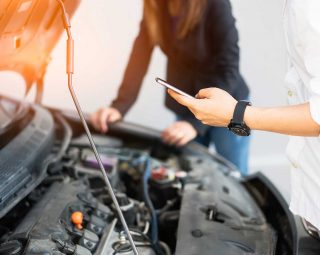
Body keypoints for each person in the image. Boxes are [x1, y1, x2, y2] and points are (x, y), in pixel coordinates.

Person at [168, 0, 320, 231]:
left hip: (226, 100)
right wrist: (118, 107)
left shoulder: (310, 9)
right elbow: (142, 46)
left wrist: (236, 114)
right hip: (311, 213)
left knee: (236, 184)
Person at [91, 0, 250, 175]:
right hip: (187, 105)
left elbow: (228, 67)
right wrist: (119, 107)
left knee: (235, 174)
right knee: (189, 173)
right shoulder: (154, 5)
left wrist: (194, 125)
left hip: (228, 105)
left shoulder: (215, 3)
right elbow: (140, 55)